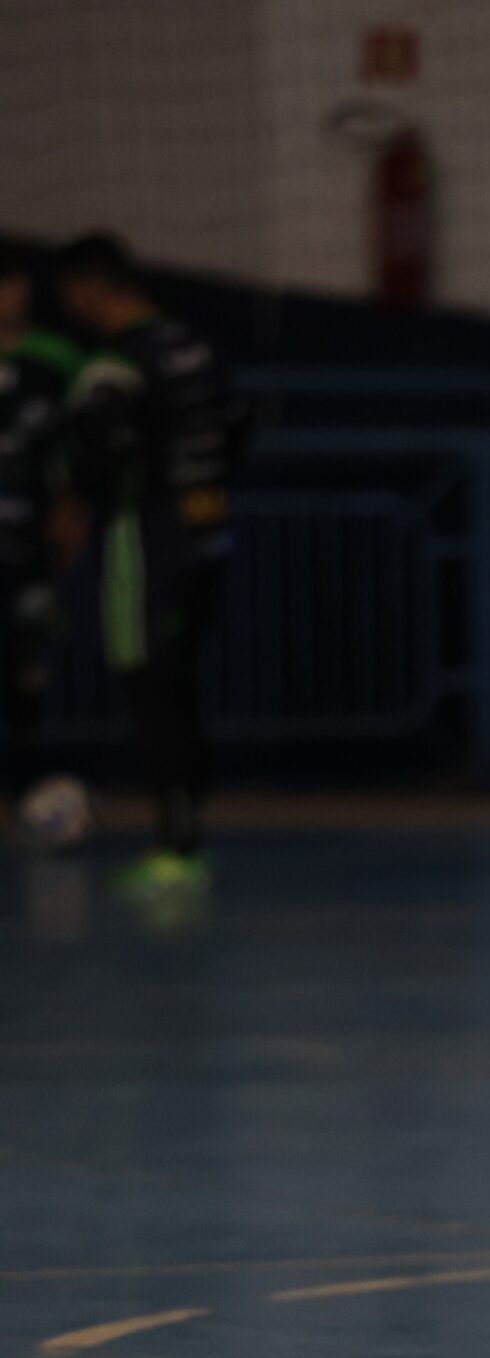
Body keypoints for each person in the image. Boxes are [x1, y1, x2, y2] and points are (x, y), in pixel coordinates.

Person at [49, 232, 240, 896]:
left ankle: (176, 847)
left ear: (87, 290)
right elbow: (235, 429)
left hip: (147, 541)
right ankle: (184, 834)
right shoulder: (197, 347)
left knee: (150, 686)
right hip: (208, 535)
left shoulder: (118, 363)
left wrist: (79, 505)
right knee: (179, 684)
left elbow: (96, 450)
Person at [0, 241, 83, 820]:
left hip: (28, 540)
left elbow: (82, 442)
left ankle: (21, 788)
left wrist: (72, 508)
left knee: (26, 665)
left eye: (11, 282)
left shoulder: (57, 357)